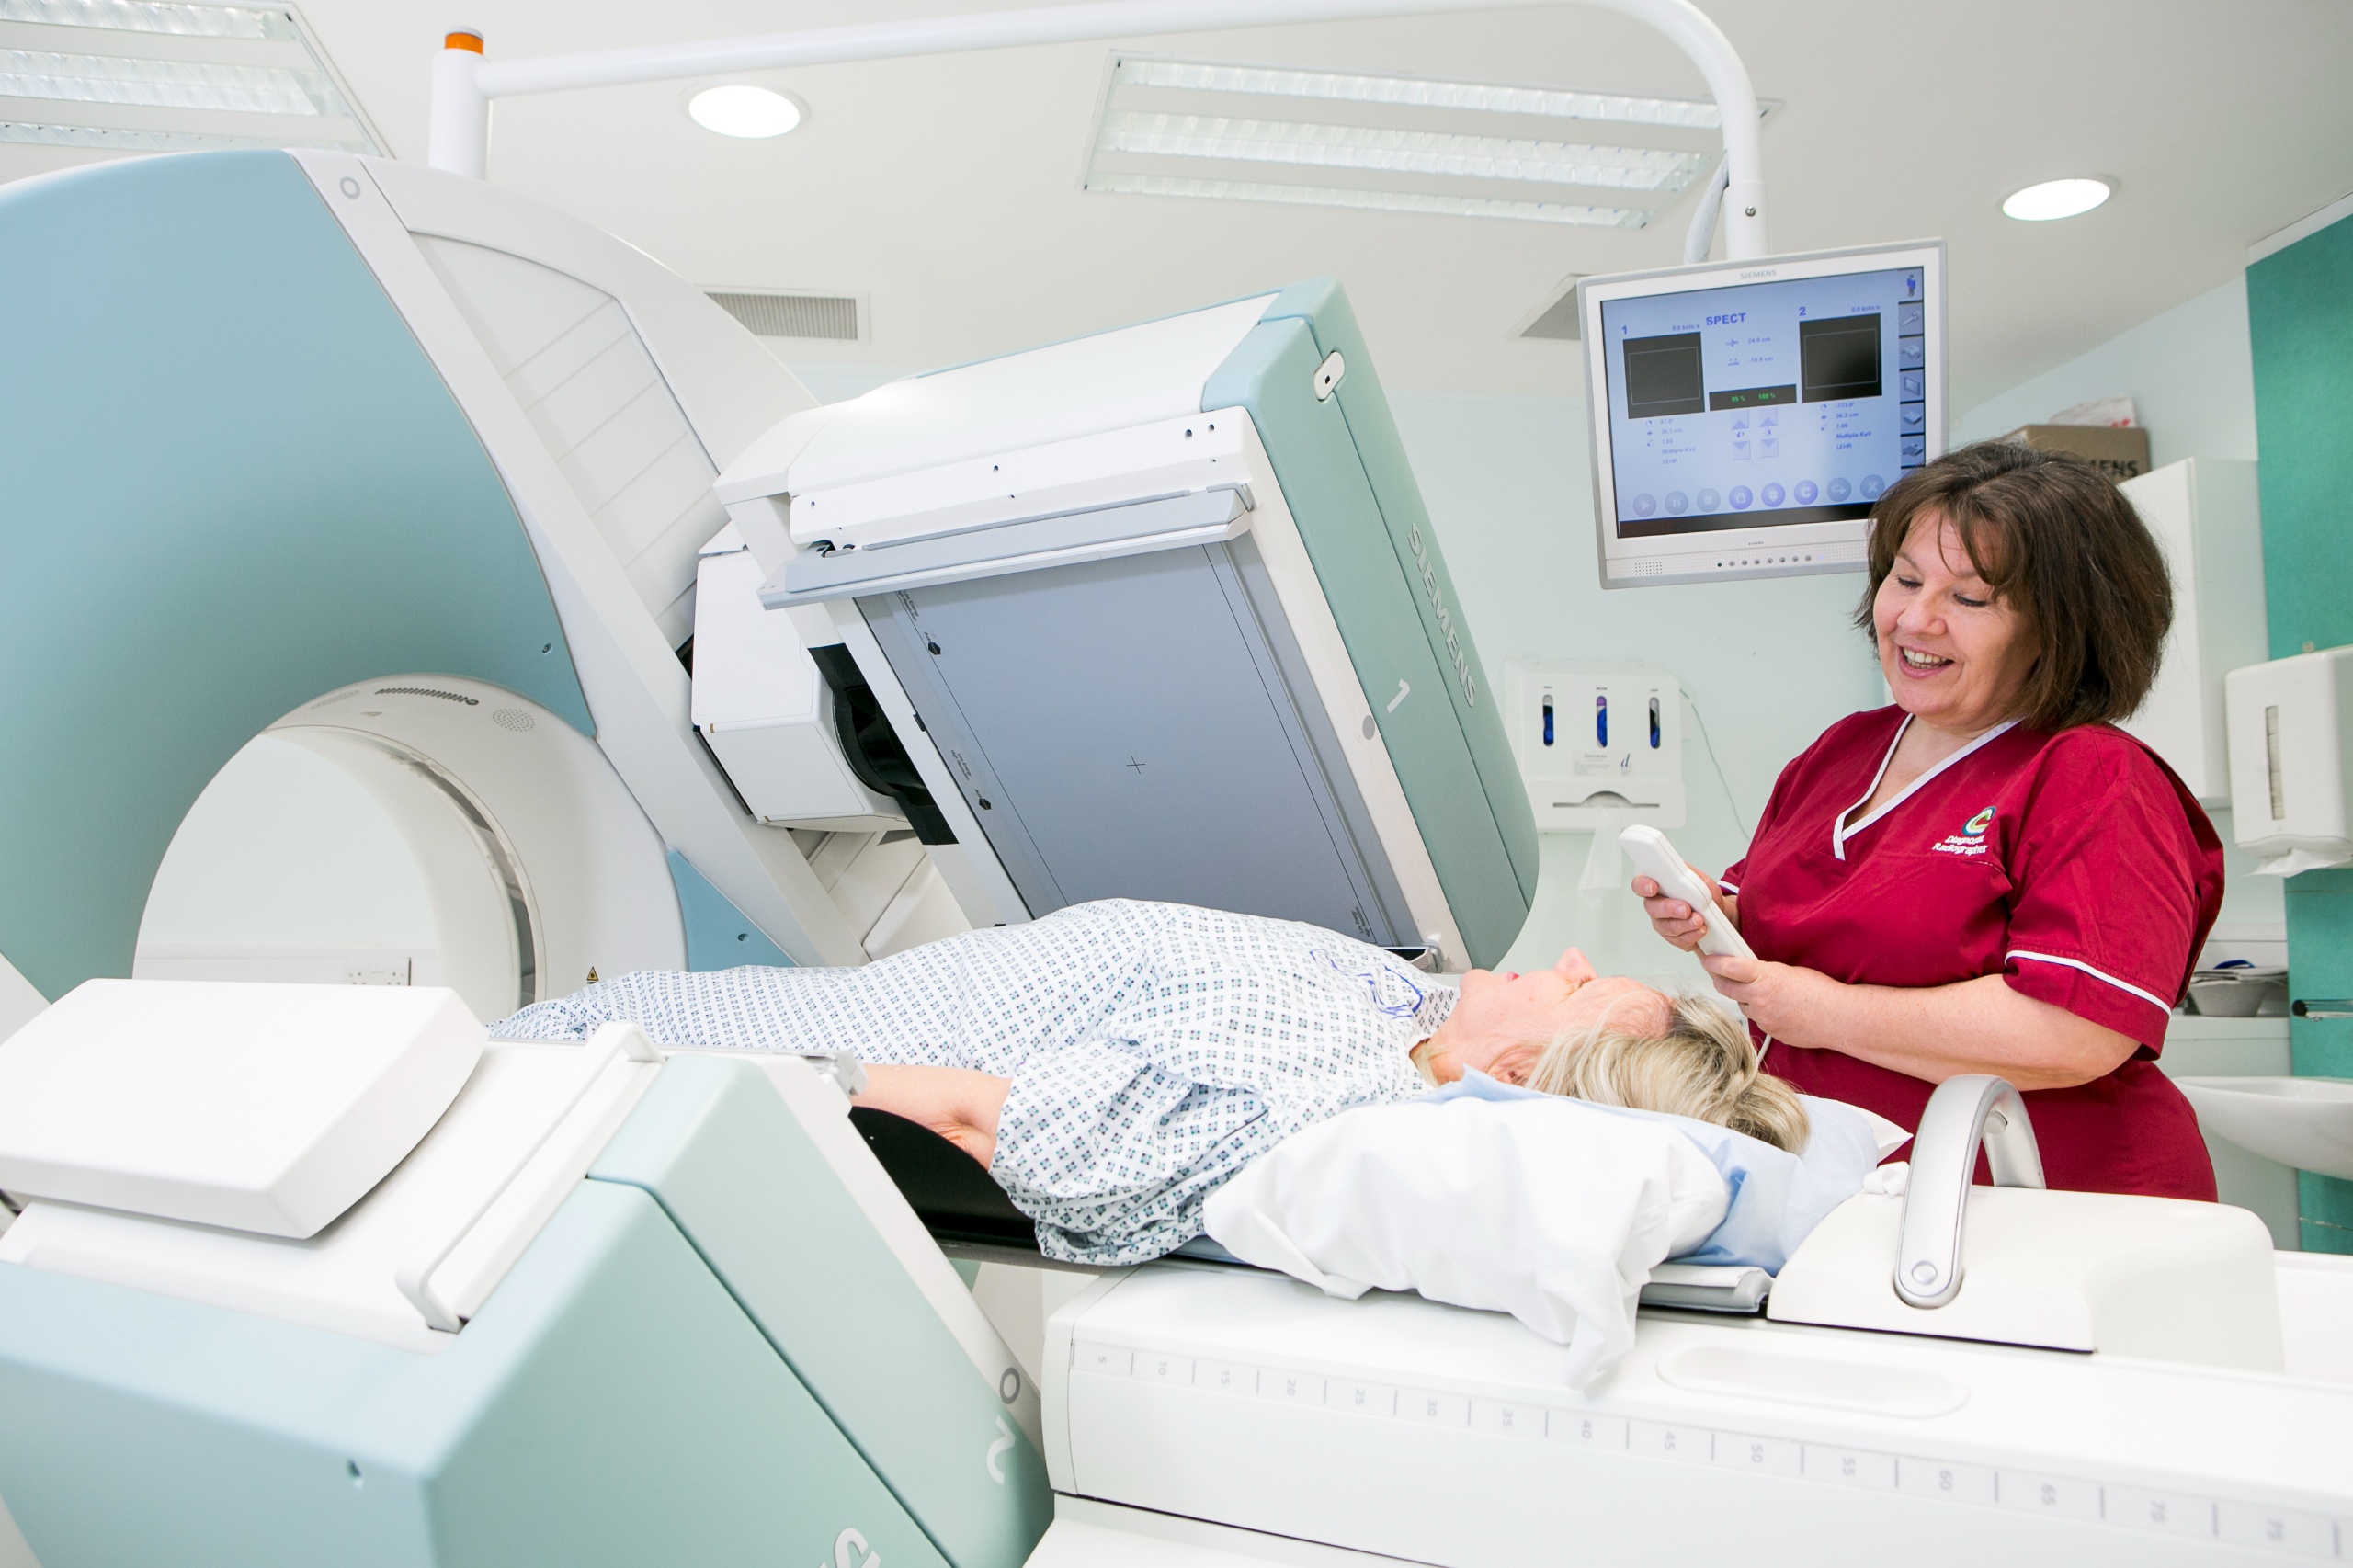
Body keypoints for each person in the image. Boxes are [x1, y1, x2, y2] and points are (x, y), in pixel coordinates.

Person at [494, 897, 1803, 1265]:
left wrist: (647, 1078)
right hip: (617, 1025)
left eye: (1582, 981)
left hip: (599, 1062)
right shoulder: (1394, 1003)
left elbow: (968, 1121)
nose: (1564, 954)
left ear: (1521, 1070)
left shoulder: (1313, 1090)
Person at [1635, 439, 2222, 1199]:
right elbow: (1816, 921)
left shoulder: (2094, 777)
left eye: (1969, 600)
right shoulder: (1843, 751)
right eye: (1905, 580)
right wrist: (1718, 913)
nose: (1917, 618)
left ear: (2061, 626)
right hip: (1857, 1191)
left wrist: (1824, 1012)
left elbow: (2076, 1035)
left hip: (2053, 1202)